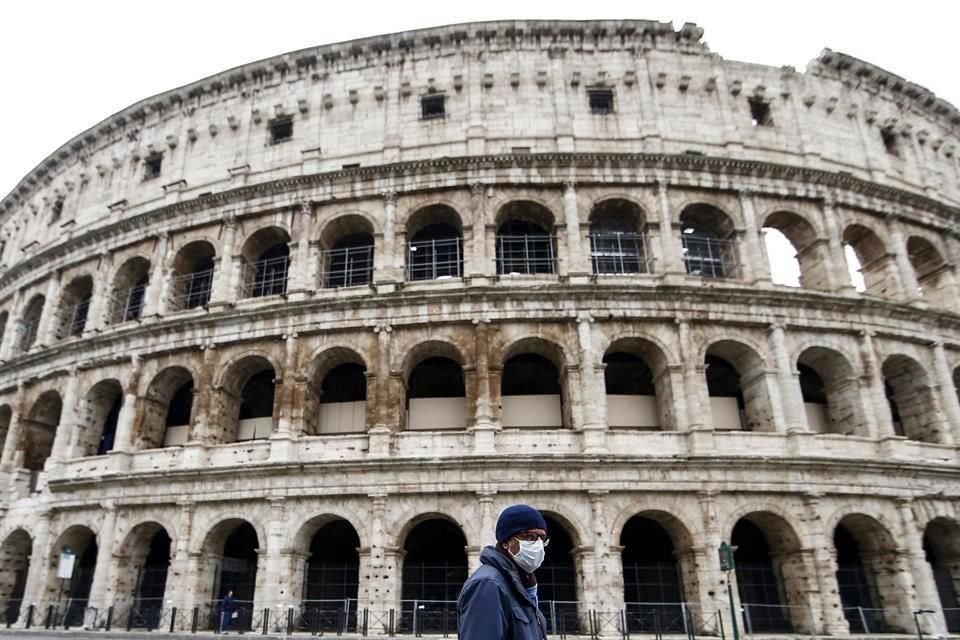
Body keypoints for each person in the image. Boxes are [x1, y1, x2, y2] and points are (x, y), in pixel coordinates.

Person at [458, 504, 549, 640]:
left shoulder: (521, 583)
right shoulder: (488, 585)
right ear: (506, 542)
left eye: (542, 539)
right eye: (529, 536)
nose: (538, 545)